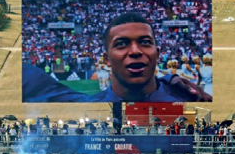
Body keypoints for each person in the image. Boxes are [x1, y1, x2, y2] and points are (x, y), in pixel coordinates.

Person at [23, 13, 211, 103]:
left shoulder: (193, 98)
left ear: (158, 54)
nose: (135, 50)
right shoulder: (90, 104)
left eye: (145, 42)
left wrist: (170, 80)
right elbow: (30, 80)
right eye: (122, 44)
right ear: (106, 59)